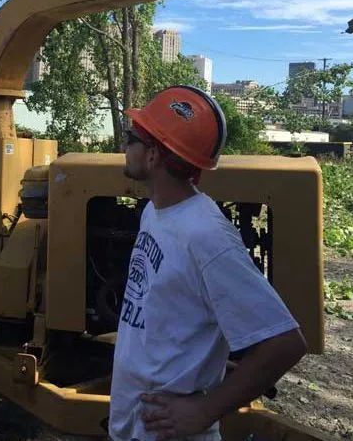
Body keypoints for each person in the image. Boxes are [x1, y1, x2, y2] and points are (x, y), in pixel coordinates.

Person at [109, 85, 307, 441]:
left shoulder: (206, 237)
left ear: (153, 156)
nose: (124, 145)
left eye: (131, 137)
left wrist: (203, 411)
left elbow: (285, 343)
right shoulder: (155, 213)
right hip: (134, 428)